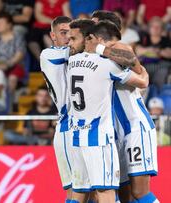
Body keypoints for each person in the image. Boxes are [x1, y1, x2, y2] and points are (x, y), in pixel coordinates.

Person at [67, 19, 149, 202]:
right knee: (106, 193)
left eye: (72, 39)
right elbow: (142, 80)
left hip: (77, 136)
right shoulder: (106, 64)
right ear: (93, 38)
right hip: (99, 137)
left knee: (78, 193)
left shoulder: (71, 61)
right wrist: (143, 72)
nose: (69, 43)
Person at [90, 11, 159, 203]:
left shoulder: (119, 46)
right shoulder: (96, 54)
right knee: (122, 194)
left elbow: (132, 61)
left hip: (134, 127)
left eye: (94, 26)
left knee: (140, 192)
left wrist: (100, 49)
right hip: (115, 133)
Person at [38, 16, 73, 201]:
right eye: (63, 32)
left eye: (71, 32)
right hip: (67, 127)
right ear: (53, 36)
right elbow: (72, 53)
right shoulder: (49, 55)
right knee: (75, 190)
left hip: (88, 128)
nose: (68, 36)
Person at [0, 12, 26, 94]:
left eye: (1, 23)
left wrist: (8, 64)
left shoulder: (18, 37)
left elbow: (20, 54)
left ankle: (8, 103)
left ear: (9, 25)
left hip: (15, 65)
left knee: (12, 79)